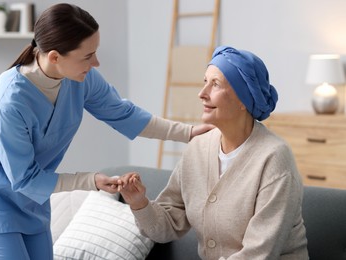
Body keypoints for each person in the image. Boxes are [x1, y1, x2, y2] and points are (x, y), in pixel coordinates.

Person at [0, 3, 213, 260]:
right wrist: (90, 180)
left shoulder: (81, 78)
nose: (96, 62)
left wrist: (190, 133)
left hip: (31, 201)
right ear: (55, 57)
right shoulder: (8, 102)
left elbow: (125, 114)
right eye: (88, 56)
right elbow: (24, 179)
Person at [118, 46, 309, 259]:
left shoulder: (274, 158)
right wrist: (139, 203)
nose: (202, 94)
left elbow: (259, 253)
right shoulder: (197, 148)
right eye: (204, 82)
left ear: (243, 100)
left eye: (215, 84)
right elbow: (168, 225)